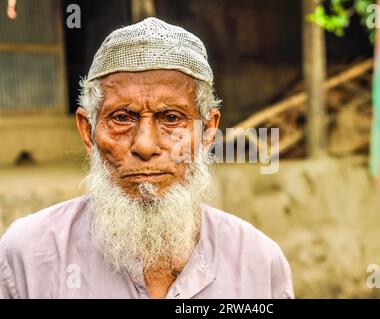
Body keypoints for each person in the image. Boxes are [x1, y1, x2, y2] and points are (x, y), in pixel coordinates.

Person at [0, 17, 294, 299]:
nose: (145, 145)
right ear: (88, 131)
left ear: (208, 131)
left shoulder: (259, 263)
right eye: (122, 118)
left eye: (171, 118)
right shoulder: (27, 256)